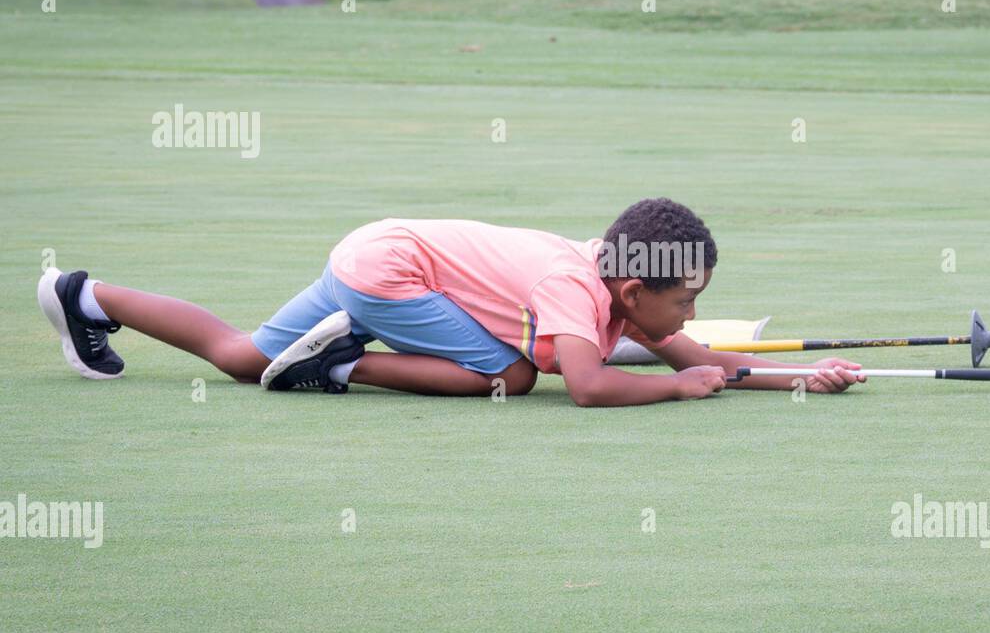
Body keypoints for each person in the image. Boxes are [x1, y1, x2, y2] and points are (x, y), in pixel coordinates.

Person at [37, 198, 861, 406]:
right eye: (684, 303)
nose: (688, 320)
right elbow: (588, 386)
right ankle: (341, 363)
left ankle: (83, 294)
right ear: (634, 289)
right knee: (509, 377)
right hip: (391, 276)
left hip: (376, 255)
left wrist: (798, 378)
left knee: (240, 357)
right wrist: (675, 388)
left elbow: (699, 357)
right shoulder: (576, 288)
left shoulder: (614, 280)